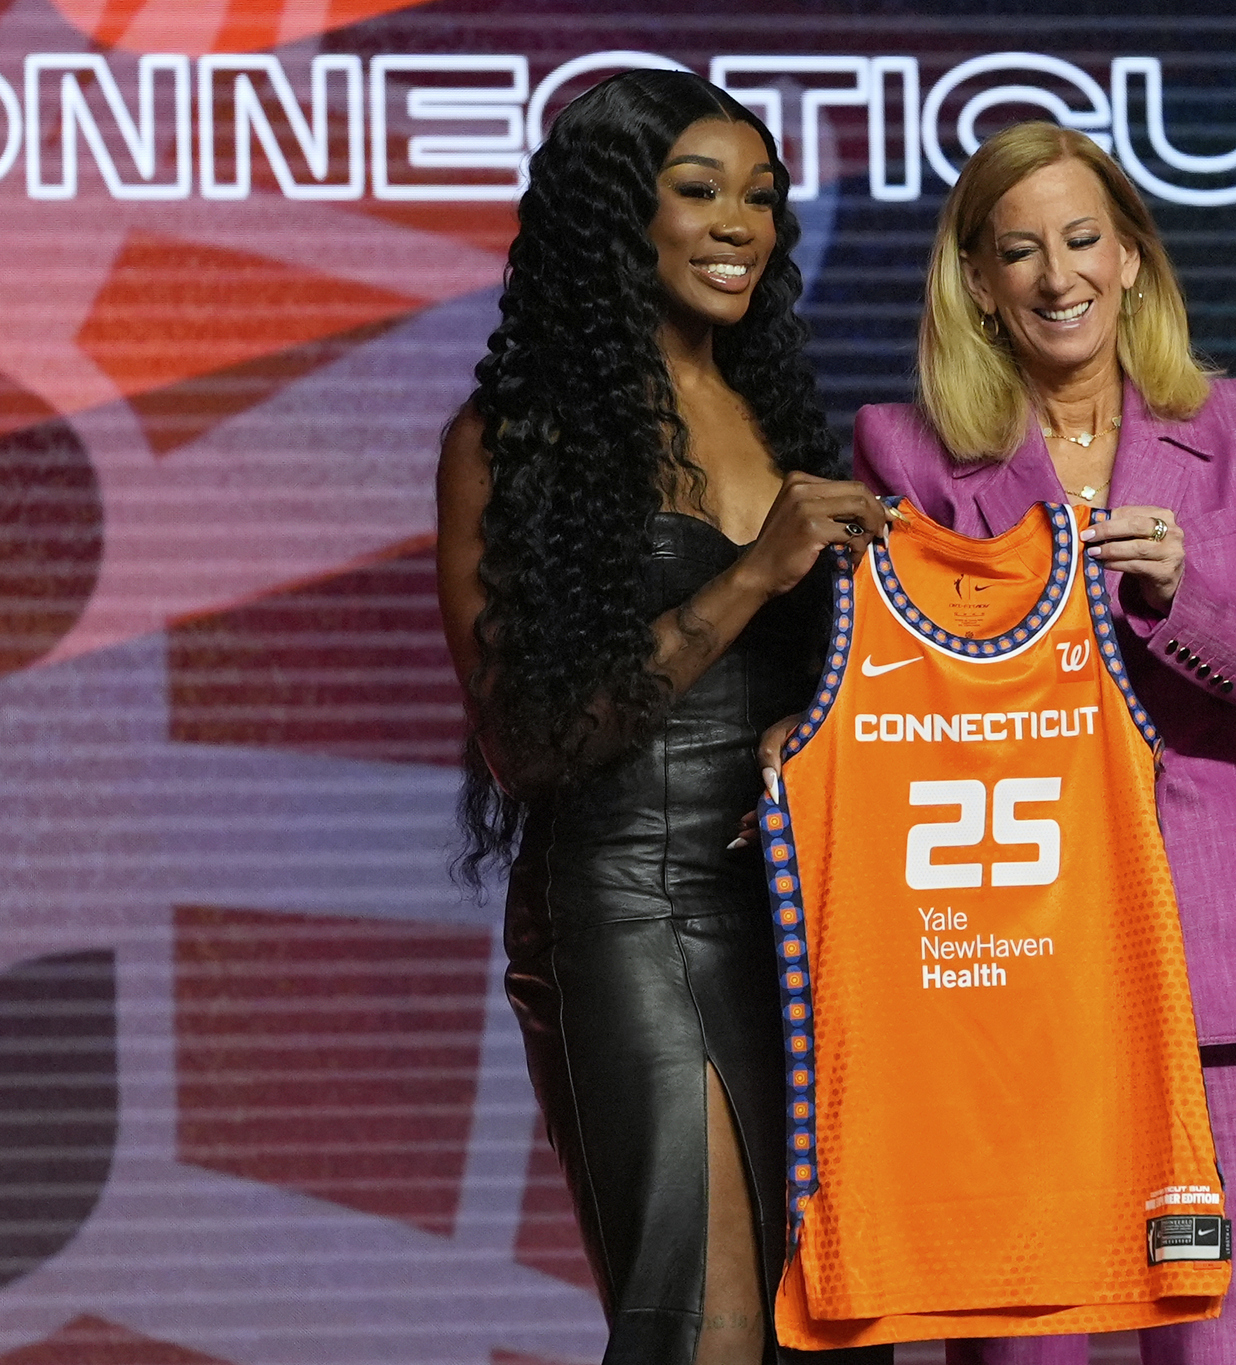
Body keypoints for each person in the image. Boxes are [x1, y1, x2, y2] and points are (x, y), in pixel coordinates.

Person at [846, 121, 1236, 1365]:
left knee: (1221, 1347)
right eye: (1022, 252)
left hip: (1214, 945)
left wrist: (1187, 592)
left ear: (1130, 258)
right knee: (1022, 1346)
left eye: (1082, 240)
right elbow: (894, 703)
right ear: (979, 283)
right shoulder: (908, 454)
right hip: (1014, 950)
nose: (1058, 276)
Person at [434, 71, 890, 1365]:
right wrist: (756, 572)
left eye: (759, 194)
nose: (739, 221)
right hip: (630, 906)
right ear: (611, 219)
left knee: (833, 1324)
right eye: (698, 192)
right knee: (703, 1317)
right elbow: (530, 744)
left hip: (798, 918)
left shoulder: (782, 422)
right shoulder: (512, 441)